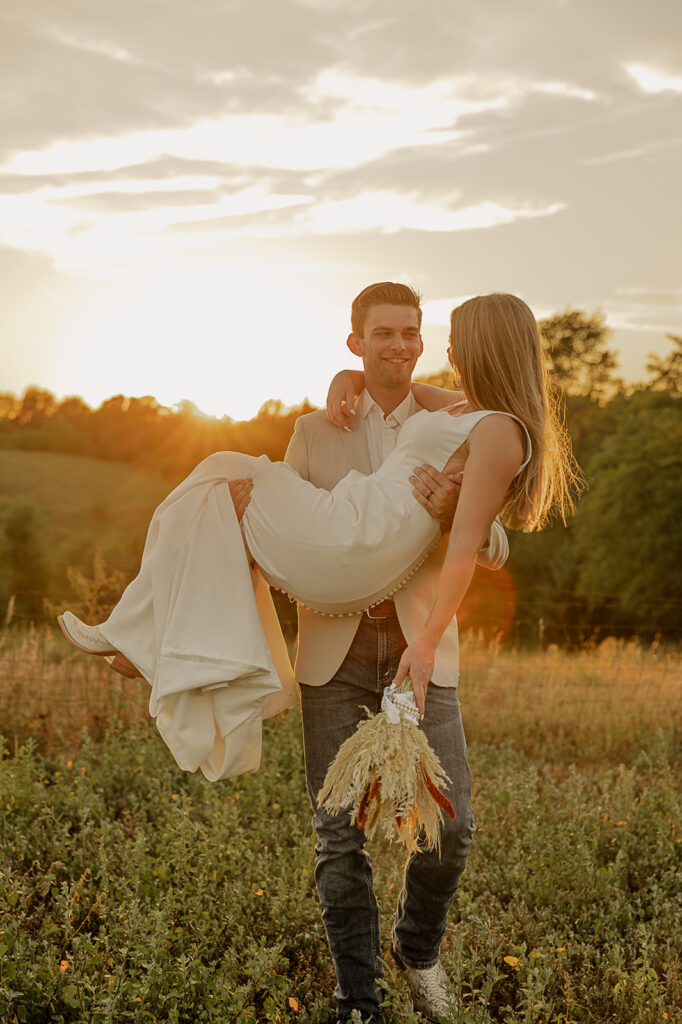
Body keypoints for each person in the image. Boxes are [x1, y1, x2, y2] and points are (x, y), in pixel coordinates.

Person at [59, 286, 577, 1023]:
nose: (414, 350)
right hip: (335, 635)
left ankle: (417, 949)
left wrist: (440, 544)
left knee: (451, 824)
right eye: (385, 336)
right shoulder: (363, 420)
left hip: (410, 634)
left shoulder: (477, 425)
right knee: (339, 837)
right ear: (357, 340)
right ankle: (357, 1001)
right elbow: (321, 498)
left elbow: (479, 545)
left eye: (424, 336)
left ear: (459, 344)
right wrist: (349, 387)